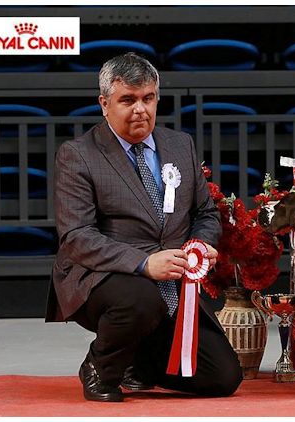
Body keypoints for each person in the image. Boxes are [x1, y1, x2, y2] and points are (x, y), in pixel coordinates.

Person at [45, 52, 242, 402]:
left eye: (148, 98)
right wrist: (143, 263)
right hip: (103, 275)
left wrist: (201, 244)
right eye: (128, 100)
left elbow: (205, 213)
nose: (140, 109)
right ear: (104, 104)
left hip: (174, 278)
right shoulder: (78, 154)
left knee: (222, 378)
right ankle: (100, 368)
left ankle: (138, 361)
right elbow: (76, 237)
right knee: (141, 299)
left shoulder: (180, 145)